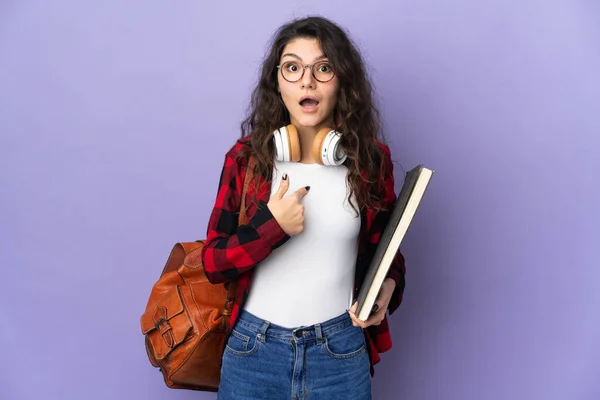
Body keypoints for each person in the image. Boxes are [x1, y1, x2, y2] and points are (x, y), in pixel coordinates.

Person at [200, 15, 406, 400]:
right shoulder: (246, 160)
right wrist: (271, 227)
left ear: (342, 79)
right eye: (293, 68)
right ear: (277, 81)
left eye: (323, 68)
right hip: (254, 352)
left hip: (339, 352)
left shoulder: (371, 162)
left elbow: (388, 252)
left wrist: (388, 286)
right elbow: (214, 263)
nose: (307, 81)